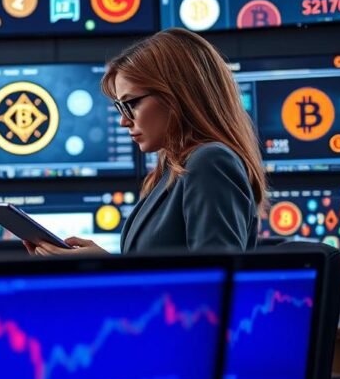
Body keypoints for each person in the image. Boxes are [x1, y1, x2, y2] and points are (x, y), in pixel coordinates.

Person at [28, 28, 266, 257]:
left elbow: (209, 287)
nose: (123, 121)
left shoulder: (210, 161)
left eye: (131, 104)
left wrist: (107, 271)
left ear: (176, 95)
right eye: (120, 108)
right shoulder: (172, 170)